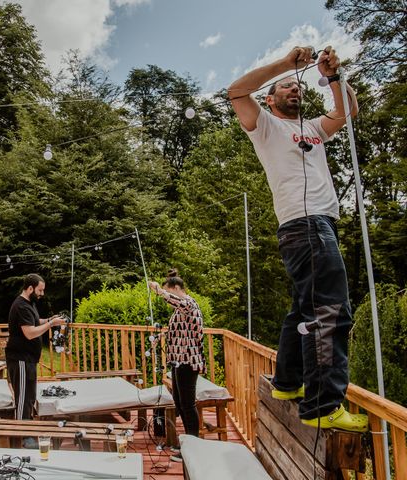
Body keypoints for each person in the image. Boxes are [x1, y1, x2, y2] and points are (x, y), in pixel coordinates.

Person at [228, 45, 367, 432]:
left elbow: (346, 112)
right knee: (331, 311)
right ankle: (323, 404)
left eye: (297, 86)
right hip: (306, 225)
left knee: (303, 308)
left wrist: (334, 75)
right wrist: (285, 65)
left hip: (317, 226)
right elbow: (236, 92)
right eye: (285, 87)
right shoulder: (266, 127)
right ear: (270, 99)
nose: (295, 90)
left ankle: (287, 384)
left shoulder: (312, 129)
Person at [149, 269, 205, 462]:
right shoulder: (180, 310)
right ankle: (187, 443)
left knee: (188, 405)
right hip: (178, 360)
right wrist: (160, 337)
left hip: (189, 361)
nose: (169, 296)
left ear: (177, 288)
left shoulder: (188, 303)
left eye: (170, 292)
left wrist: (159, 291)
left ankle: (193, 447)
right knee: (180, 402)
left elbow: (177, 302)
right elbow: (181, 332)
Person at [5, 273, 67, 446]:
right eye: (40, 290)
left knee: (30, 396)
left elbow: (35, 321)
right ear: (30, 288)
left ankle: (28, 430)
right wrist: (51, 325)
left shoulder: (28, 303)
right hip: (20, 359)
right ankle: (23, 436)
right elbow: (30, 332)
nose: (42, 294)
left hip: (28, 359)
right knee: (23, 398)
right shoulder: (21, 306)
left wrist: (49, 319)